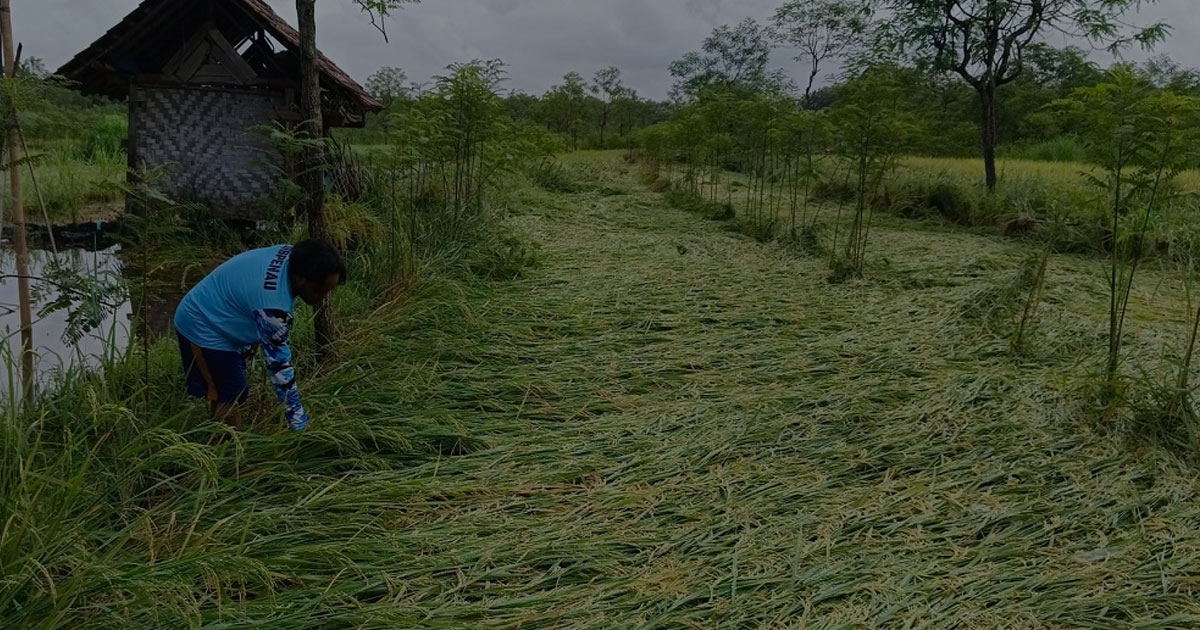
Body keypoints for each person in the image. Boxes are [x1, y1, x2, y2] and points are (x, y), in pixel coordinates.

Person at [173, 239, 346, 431]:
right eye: (321, 290)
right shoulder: (273, 306)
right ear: (302, 279)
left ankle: (219, 437)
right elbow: (280, 371)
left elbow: (252, 291)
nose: (324, 297)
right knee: (232, 390)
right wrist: (300, 426)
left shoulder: (291, 254)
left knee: (228, 387)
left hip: (220, 310)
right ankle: (226, 450)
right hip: (202, 322)